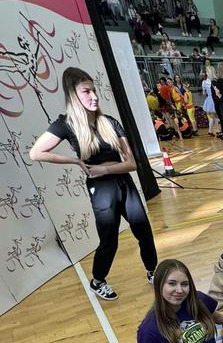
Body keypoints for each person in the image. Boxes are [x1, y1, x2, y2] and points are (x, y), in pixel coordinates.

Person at [30, 67, 158, 301]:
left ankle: (153, 271)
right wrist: (75, 160)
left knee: (144, 230)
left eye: (94, 90)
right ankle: (98, 281)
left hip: (124, 183)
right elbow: (36, 153)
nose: (94, 96)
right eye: (86, 91)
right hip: (101, 190)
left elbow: (131, 164)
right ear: (73, 94)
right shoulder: (66, 124)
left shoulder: (109, 122)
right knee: (109, 239)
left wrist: (106, 168)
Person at [202, 67, 220, 136]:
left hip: (209, 98)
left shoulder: (204, 82)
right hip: (213, 98)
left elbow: (204, 93)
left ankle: (217, 130)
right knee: (214, 115)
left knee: (215, 115)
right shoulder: (213, 81)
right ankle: (210, 130)